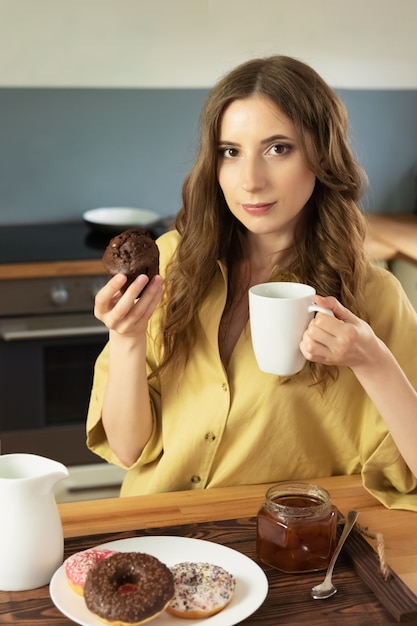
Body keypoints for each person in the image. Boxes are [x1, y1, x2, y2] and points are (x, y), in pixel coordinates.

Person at [87, 55, 417, 509]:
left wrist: (372, 361)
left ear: (322, 155)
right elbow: (127, 450)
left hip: (282, 548)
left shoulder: (373, 298)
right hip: (161, 532)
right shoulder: (170, 261)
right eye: (231, 151)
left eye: (278, 148)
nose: (250, 181)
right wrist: (125, 338)